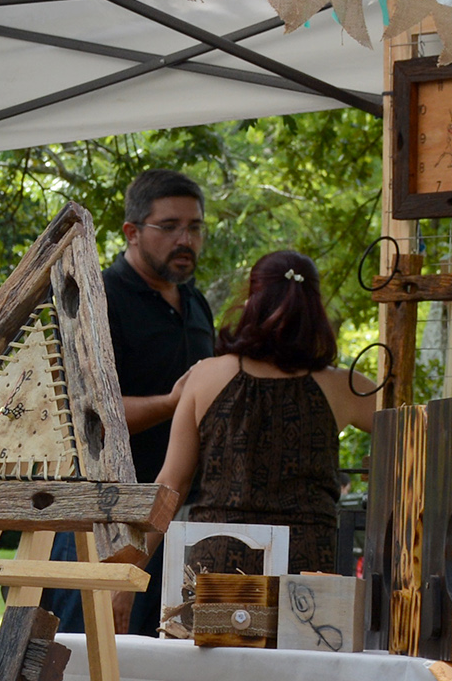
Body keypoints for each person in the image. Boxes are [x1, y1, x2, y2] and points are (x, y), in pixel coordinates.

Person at [51, 169, 218, 634]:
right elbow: (85, 415)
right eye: (169, 226)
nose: (186, 239)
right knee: (86, 657)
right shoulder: (98, 298)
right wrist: (173, 404)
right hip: (104, 516)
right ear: (132, 231)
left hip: (175, 521)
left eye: (195, 227)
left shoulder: (196, 303)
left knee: (155, 665)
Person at [149, 248, 375, 582]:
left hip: (218, 568)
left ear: (251, 301)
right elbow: (419, 433)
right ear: (315, 308)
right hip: (307, 572)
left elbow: (171, 483)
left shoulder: (205, 376)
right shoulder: (345, 387)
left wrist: (130, 568)